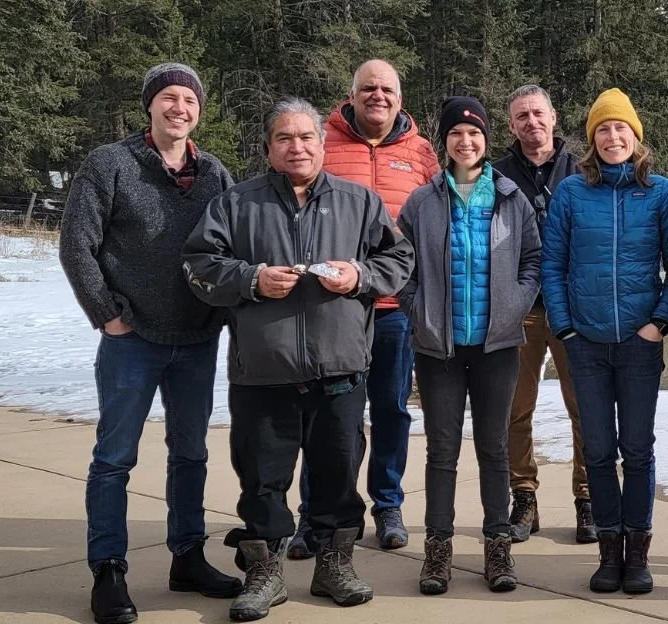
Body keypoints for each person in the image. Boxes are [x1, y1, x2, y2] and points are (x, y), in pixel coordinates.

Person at [182, 97, 414, 622]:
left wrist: (359, 276)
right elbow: (198, 263)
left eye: (307, 137)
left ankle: (335, 566)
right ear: (269, 148)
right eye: (285, 138)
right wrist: (251, 279)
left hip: (341, 367)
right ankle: (265, 574)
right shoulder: (237, 204)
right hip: (263, 372)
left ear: (323, 143)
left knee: (338, 471)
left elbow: (399, 258)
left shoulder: (360, 202)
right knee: (262, 478)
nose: (297, 146)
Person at [59, 62, 240, 624]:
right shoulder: (110, 165)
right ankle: (108, 570)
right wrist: (108, 316)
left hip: (196, 338)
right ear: (150, 106)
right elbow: (76, 247)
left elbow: (233, 247)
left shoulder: (215, 174)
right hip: (132, 340)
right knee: (115, 458)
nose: (179, 107)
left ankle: (187, 557)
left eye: (189, 99)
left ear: (199, 111)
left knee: (191, 454)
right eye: (168, 97)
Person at [286, 58, 439, 557]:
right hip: (333, 310)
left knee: (392, 410)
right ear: (350, 95)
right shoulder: (322, 143)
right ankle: (316, 514)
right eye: (368, 88)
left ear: (400, 96)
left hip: (395, 308)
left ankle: (388, 505)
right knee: (329, 416)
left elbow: (439, 223)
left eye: (387, 88)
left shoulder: (420, 152)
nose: (378, 95)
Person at [396, 96, 542, 595]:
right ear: (445, 143)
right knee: (442, 450)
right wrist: (417, 310)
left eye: (474, 133)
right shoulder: (423, 200)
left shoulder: (509, 197)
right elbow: (401, 265)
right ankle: (437, 553)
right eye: (456, 133)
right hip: (439, 348)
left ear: (485, 139)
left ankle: (497, 549)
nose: (466, 141)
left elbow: (533, 258)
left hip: (497, 345)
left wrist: (516, 304)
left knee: (494, 448)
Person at [541, 87, 668, 595]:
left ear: (635, 135)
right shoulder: (572, 194)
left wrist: (659, 322)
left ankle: (637, 553)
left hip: (640, 344)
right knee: (598, 450)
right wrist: (566, 327)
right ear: (592, 138)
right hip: (587, 342)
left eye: (621, 127)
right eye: (603, 128)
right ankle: (608, 550)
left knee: (638, 450)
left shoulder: (662, 193)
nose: (612, 136)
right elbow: (552, 266)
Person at [491, 84, 594, 544]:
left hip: (574, 309)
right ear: (511, 125)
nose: (531, 123)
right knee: (516, 409)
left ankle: (588, 499)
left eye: (538, 114)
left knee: (585, 409)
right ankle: (524, 497)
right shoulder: (495, 175)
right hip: (520, 308)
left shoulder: (584, 169)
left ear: (554, 117)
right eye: (521, 117)